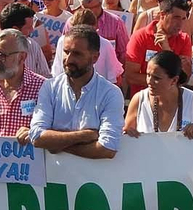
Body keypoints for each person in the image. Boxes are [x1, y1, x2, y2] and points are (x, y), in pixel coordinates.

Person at [26, 24, 123, 159]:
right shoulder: (50, 87)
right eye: (66, 51)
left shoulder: (110, 93)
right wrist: (84, 136)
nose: (69, 59)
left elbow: (107, 148)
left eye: (77, 54)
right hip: (56, 177)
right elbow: (37, 137)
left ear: (95, 57)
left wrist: (55, 145)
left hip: (96, 178)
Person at [125, 50, 193, 139]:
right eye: (148, 75)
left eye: (157, 78)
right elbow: (125, 136)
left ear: (174, 80)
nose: (149, 81)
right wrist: (128, 133)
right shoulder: (138, 100)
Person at [123, 0, 193, 95]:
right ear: (162, 15)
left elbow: (184, 78)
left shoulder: (184, 39)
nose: (180, 24)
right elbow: (131, 76)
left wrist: (167, 51)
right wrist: (165, 82)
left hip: (171, 101)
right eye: (176, 18)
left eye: (183, 18)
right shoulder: (140, 37)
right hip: (144, 99)